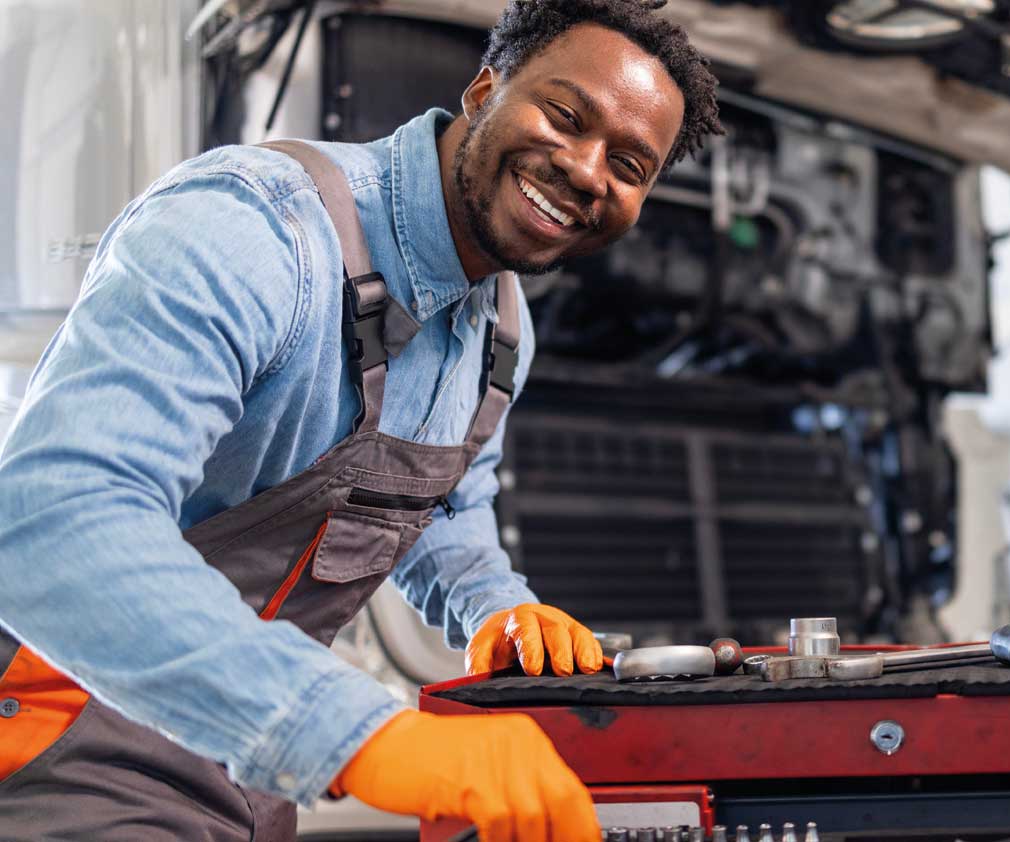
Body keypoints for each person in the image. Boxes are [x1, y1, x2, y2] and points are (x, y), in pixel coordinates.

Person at [0, 1, 723, 839]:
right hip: (66, 741)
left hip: (252, 773)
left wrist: (494, 607)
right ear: (484, 88)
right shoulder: (252, 228)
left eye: (630, 164)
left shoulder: (500, 334)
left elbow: (445, 507)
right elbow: (52, 521)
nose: (590, 170)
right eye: (567, 116)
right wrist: (362, 734)